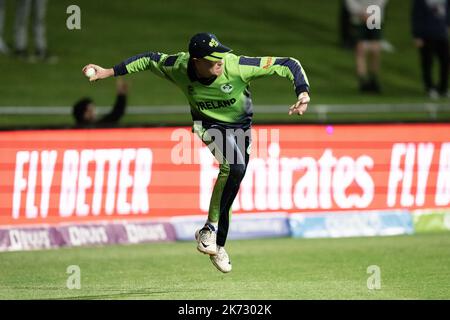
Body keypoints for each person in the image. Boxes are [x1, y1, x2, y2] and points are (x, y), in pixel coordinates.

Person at [82, 32, 310, 273]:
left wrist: (302, 92)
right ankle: (210, 230)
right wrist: (109, 72)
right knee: (234, 167)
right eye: (212, 60)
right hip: (208, 125)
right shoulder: (178, 66)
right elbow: (149, 59)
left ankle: (217, 243)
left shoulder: (237, 66)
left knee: (233, 182)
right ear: (196, 62)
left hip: (241, 129)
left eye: (220, 56)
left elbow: (288, 63)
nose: (220, 62)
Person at [346, 0, 388, 93]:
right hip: (358, 18)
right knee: (360, 50)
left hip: (375, 17)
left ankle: (373, 79)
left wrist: (371, 12)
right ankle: (363, 81)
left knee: (375, 50)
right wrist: (360, 11)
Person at [412, 0, 450, 99]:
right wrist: (417, 35)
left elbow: (447, 12)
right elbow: (416, 15)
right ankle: (430, 88)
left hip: (442, 34)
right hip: (426, 35)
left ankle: (443, 88)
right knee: (427, 63)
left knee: (445, 62)